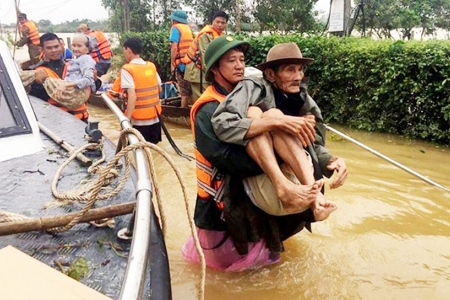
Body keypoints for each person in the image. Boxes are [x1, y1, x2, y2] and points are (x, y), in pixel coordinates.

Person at [182, 36, 324, 272]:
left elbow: (300, 137)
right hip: (220, 205)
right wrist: (280, 160)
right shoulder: (207, 109)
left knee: (261, 268)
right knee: (224, 275)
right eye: (231, 61)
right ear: (215, 69)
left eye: (242, 59)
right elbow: (226, 159)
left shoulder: (253, 96)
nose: (239, 65)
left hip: (249, 199)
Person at [211, 42, 347, 220]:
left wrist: (332, 160)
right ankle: (284, 187)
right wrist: (277, 122)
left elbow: (313, 143)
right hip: (267, 183)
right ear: (270, 74)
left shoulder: (303, 100)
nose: (298, 76)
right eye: (290, 70)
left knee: (276, 116)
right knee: (267, 114)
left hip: (300, 184)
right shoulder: (252, 86)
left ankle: (317, 202)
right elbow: (221, 123)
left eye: (300, 70)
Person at [109, 37, 163, 144]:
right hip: (155, 119)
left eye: (124, 51)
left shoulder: (127, 69)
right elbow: (159, 89)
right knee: (153, 152)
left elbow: (132, 96)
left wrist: (126, 120)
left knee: (137, 153)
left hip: (139, 122)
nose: (124, 54)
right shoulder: (151, 66)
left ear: (128, 50)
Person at [28, 33, 90, 122]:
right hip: (58, 120)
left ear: (61, 46)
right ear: (42, 49)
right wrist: (38, 84)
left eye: (56, 46)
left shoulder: (74, 65)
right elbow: (37, 101)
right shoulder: (38, 71)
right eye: (49, 48)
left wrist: (95, 79)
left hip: (81, 118)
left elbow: (92, 89)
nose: (54, 50)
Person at [181, 10, 228, 102]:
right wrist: (215, 74)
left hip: (206, 72)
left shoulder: (221, 36)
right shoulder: (205, 35)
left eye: (223, 23)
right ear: (212, 21)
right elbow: (205, 57)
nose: (220, 25)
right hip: (197, 73)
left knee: (208, 98)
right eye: (217, 22)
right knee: (201, 100)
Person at [169, 10, 194, 108]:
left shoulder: (175, 28)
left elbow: (174, 47)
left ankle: (183, 112)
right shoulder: (187, 28)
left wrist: (172, 63)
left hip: (181, 64)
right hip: (190, 62)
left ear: (174, 20)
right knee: (190, 88)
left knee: (183, 90)